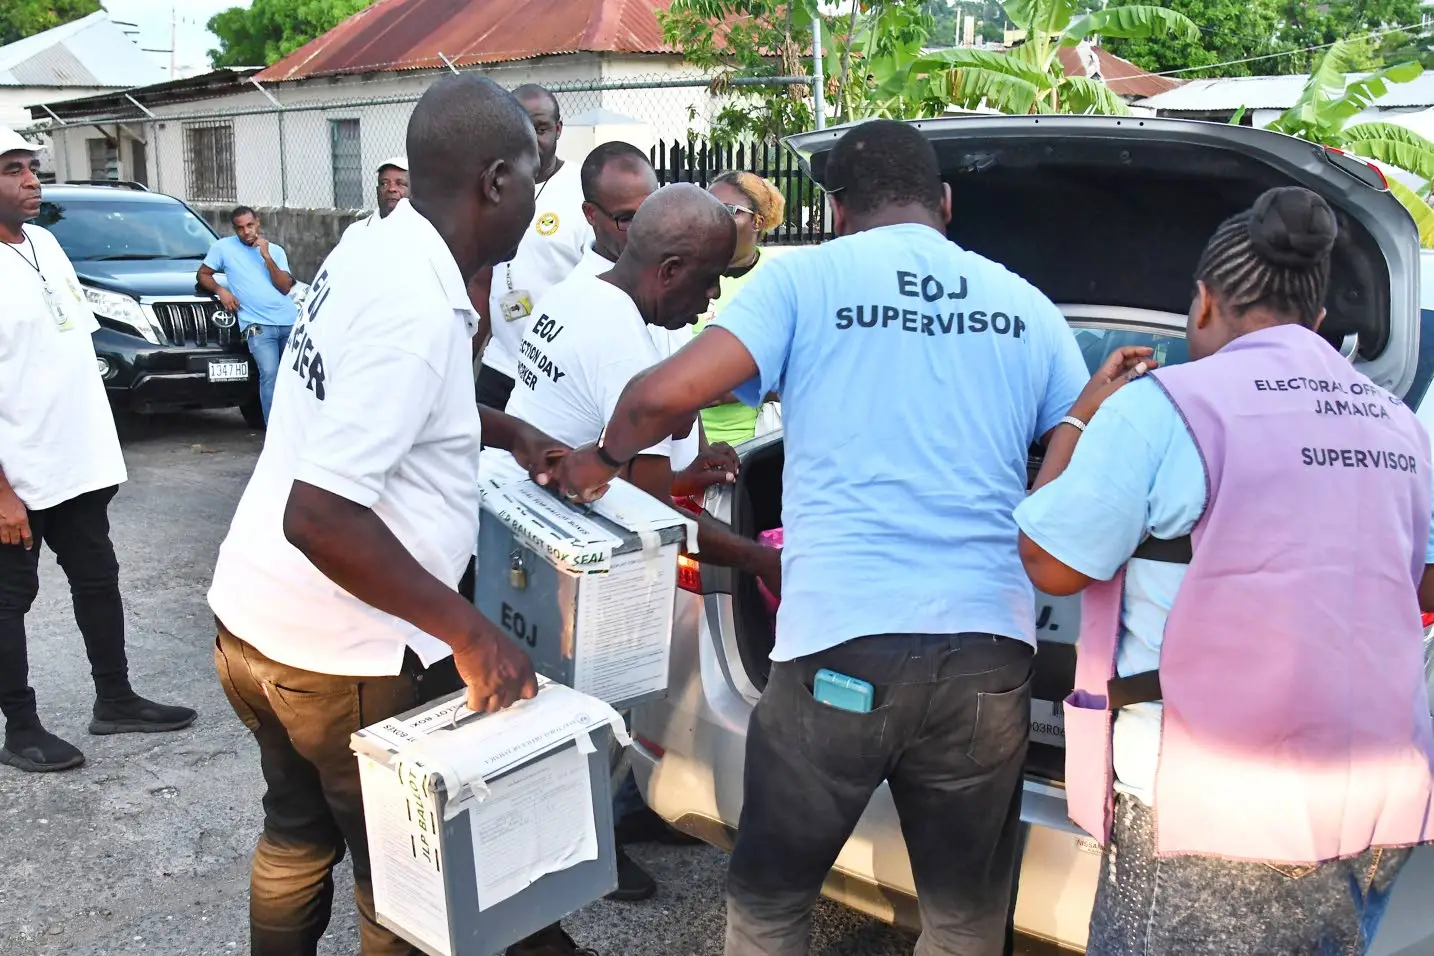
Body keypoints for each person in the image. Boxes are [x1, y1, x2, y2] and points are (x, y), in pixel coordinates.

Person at [553, 120, 1090, 956]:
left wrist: (605, 458)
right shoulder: (1026, 305)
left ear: (836, 212)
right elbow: (1086, 441)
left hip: (842, 650)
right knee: (964, 917)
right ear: (943, 204)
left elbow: (660, 398)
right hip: (988, 654)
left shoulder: (808, 282)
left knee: (770, 906)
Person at [207, 76, 597, 956]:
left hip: (254, 623)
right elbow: (322, 516)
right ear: (495, 182)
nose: (541, 197)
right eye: (535, 177)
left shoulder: (372, 245)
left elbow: (384, 403)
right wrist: (471, 633)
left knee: (298, 835)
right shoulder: (414, 306)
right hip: (339, 652)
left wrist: (502, 429)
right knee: (407, 890)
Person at [1015, 187, 1434, 955]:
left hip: (1216, 802)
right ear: (1314, 318)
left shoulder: (1167, 406)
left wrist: (1080, 417)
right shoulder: (1397, 422)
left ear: (1203, 304)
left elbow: (1049, 561)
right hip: (1375, 792)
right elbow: (1422, 583)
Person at [0, 125, 195, 774]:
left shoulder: (46, 243)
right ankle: (21, 728)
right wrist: (2, 493)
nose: (31, 180)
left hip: (75, 462)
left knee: (97, 580)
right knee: (10, 601)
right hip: (17, 475)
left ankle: (115, 700)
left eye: (31, 166)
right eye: (11, 170)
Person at [473, 84, 592, 410]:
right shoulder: (490, 188)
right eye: (519, 129)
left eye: (539, 129)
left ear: (558, 129)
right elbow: (482, 281)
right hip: (500, 366)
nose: (529, 140)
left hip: (560, 375)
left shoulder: (584, 189)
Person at [696, 171, 787, 445]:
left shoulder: (779, 278)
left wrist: (726, 387)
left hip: (754, 444)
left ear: (757, 221)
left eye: (726, 211)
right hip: (682, 444)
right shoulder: (684, 271)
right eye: (706, 209)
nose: (711, 220)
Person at [197, 206, 299, 424]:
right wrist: (221, 291)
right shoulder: (223, 248)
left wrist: (267, 257)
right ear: (234, 229)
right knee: (269, 373)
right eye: (240, 228)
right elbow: (203, 274)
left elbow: (284, 287)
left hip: (289, 322)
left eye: (250, 225)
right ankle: (274, 431)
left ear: (258, 223)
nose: (246, 232)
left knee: (294, 376)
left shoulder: (276, 251)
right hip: (257, 325)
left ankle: (298, 427)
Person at [340, 156, 409, 241]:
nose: (391, 189)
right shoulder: (355, 233)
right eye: (384, 183)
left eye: (400, 183)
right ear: (377, 190)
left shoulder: (423, 232)